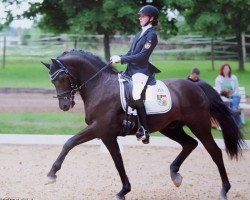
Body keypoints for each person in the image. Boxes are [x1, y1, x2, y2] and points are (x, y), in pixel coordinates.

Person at [110, 5, 160, 144]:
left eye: (142, 16)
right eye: (140, 16)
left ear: (151, 18)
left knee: (136, 95)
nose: (140, 18)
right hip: (130, 71)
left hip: (141, 72)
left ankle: (144, 129)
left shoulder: (152, 35)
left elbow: (142, 57)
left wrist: (122, 59)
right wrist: (118, 57)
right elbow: (131, 53)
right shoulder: (139, 34)